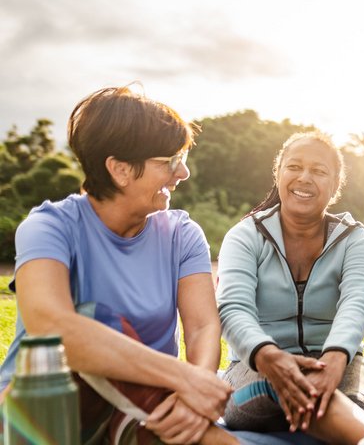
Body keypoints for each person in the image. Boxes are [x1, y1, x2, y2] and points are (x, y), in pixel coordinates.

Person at [0, 85, 236, 444]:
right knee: (93, 317)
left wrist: (193, 392)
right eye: (171, 161)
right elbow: (53, 329)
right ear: (120, 170)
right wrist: (181, 377)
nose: (183, 173)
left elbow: (203, 326)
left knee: (186, 431)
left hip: (142, 408)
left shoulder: (182, 234)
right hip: (45, 409)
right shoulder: (48, 227)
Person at [216, 131, 364, 444]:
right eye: (294, 167)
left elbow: (357, 301)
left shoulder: (354, 239)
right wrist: (268, 356)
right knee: (291, 390)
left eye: (318, 171)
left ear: (335, 185)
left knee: (352, 405)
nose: (304, 178)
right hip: (257, 369)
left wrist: (336, 357)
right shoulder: (246, 235)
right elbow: (233, 308)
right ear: (278, 174)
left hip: (339, 363)